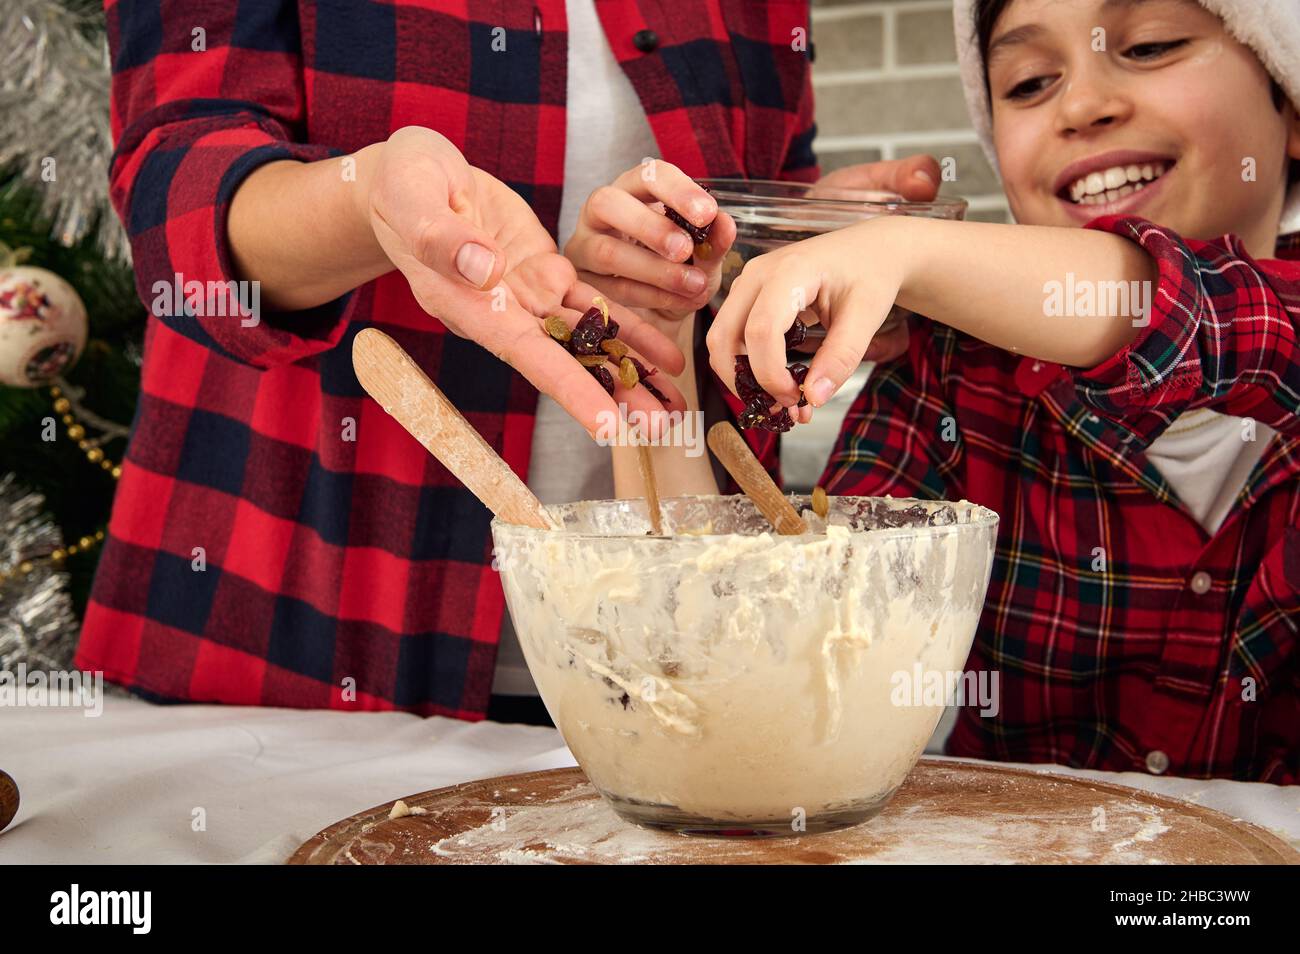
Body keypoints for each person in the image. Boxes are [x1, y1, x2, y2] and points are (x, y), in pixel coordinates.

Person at [76, 1, 937, 723]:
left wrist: (794, 252)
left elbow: (741, 224)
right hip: (300, 650)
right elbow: (175, 189)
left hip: (673, 668)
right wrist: (369, 197)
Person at [630, 0, 1300, 781]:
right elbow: (736, 685)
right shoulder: (950, 376)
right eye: (1030, 82)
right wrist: (656, 330)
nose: (1082, 105)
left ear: (1291, 108)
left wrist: (908, 250)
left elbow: (1194, 315)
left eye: (1150, 46)